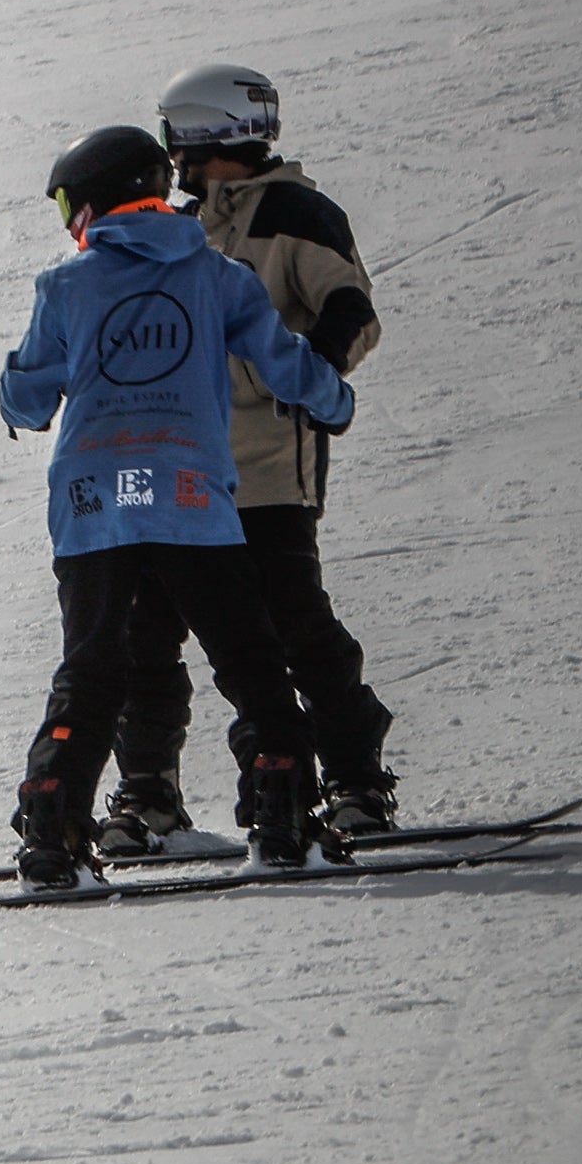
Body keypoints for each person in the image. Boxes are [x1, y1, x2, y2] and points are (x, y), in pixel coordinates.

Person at [0, 129, 356, 889]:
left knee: (92, 669)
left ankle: (52, 824)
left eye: (68, 202)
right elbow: (286, 360)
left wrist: (15, 391)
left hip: (98, 505)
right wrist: (334, 399)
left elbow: (29, 398)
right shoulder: (216, 274)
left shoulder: (66, 285)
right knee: (250, 659)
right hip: (188, 497)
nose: (68, 219)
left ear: (92, 199)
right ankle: (284, 811)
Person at [101, 64, 395, 849]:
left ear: (201, 133)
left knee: (292, 628)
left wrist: (311, 374)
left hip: (265, 469)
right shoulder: (181, 226)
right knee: (146, 629)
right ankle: (149, 792)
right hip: (176, 474)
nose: (172, 158)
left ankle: (354, 782)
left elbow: (350, 304)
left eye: (176, 138)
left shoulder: (296, 212)